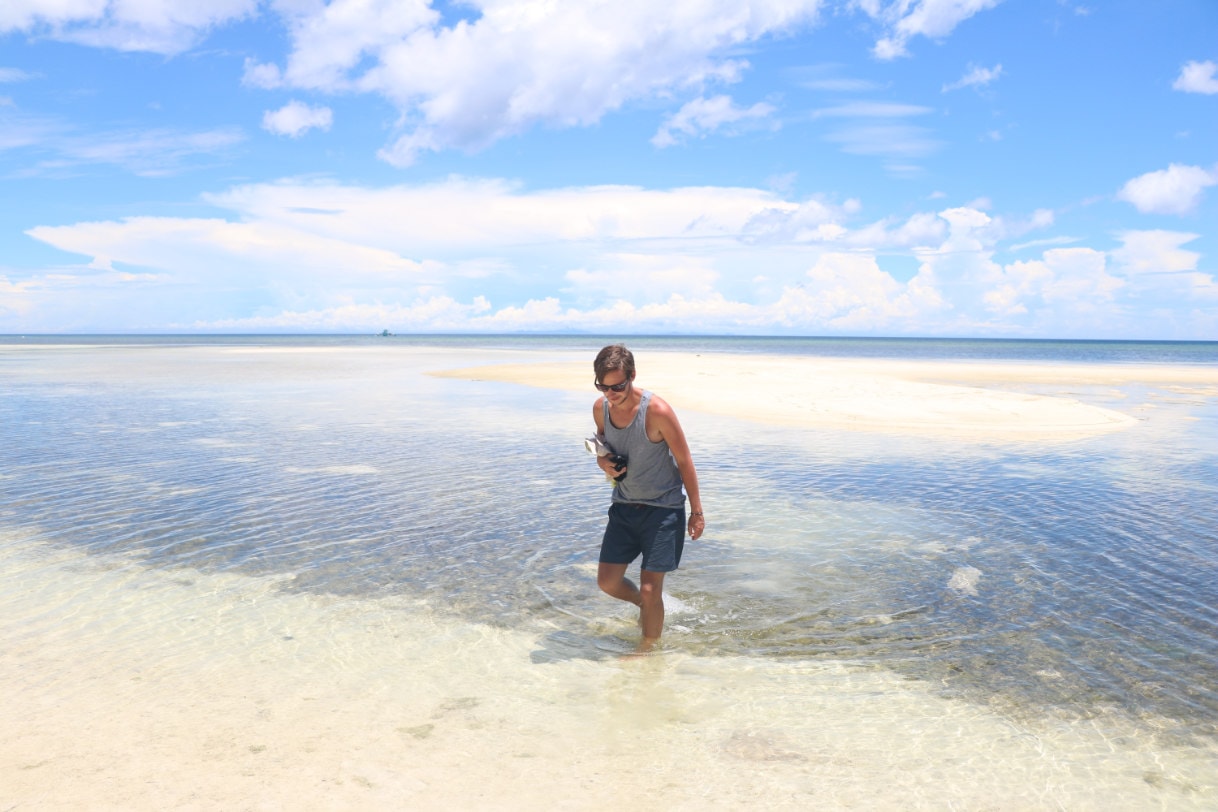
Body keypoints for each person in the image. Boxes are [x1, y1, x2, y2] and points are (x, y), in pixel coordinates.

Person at [591, 344, 704, 653]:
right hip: (624, 506)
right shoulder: (600, 407)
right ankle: (647, 605)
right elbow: (599, 442)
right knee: (607, 582)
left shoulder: (657, 411)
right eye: (603, 386)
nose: (610, 393)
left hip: (663, 510)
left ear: (632, 376)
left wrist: (696, 512)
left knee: (652, 587)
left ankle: (648, 649)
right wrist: (603, 462)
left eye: (618, 386)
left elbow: (684, 461)